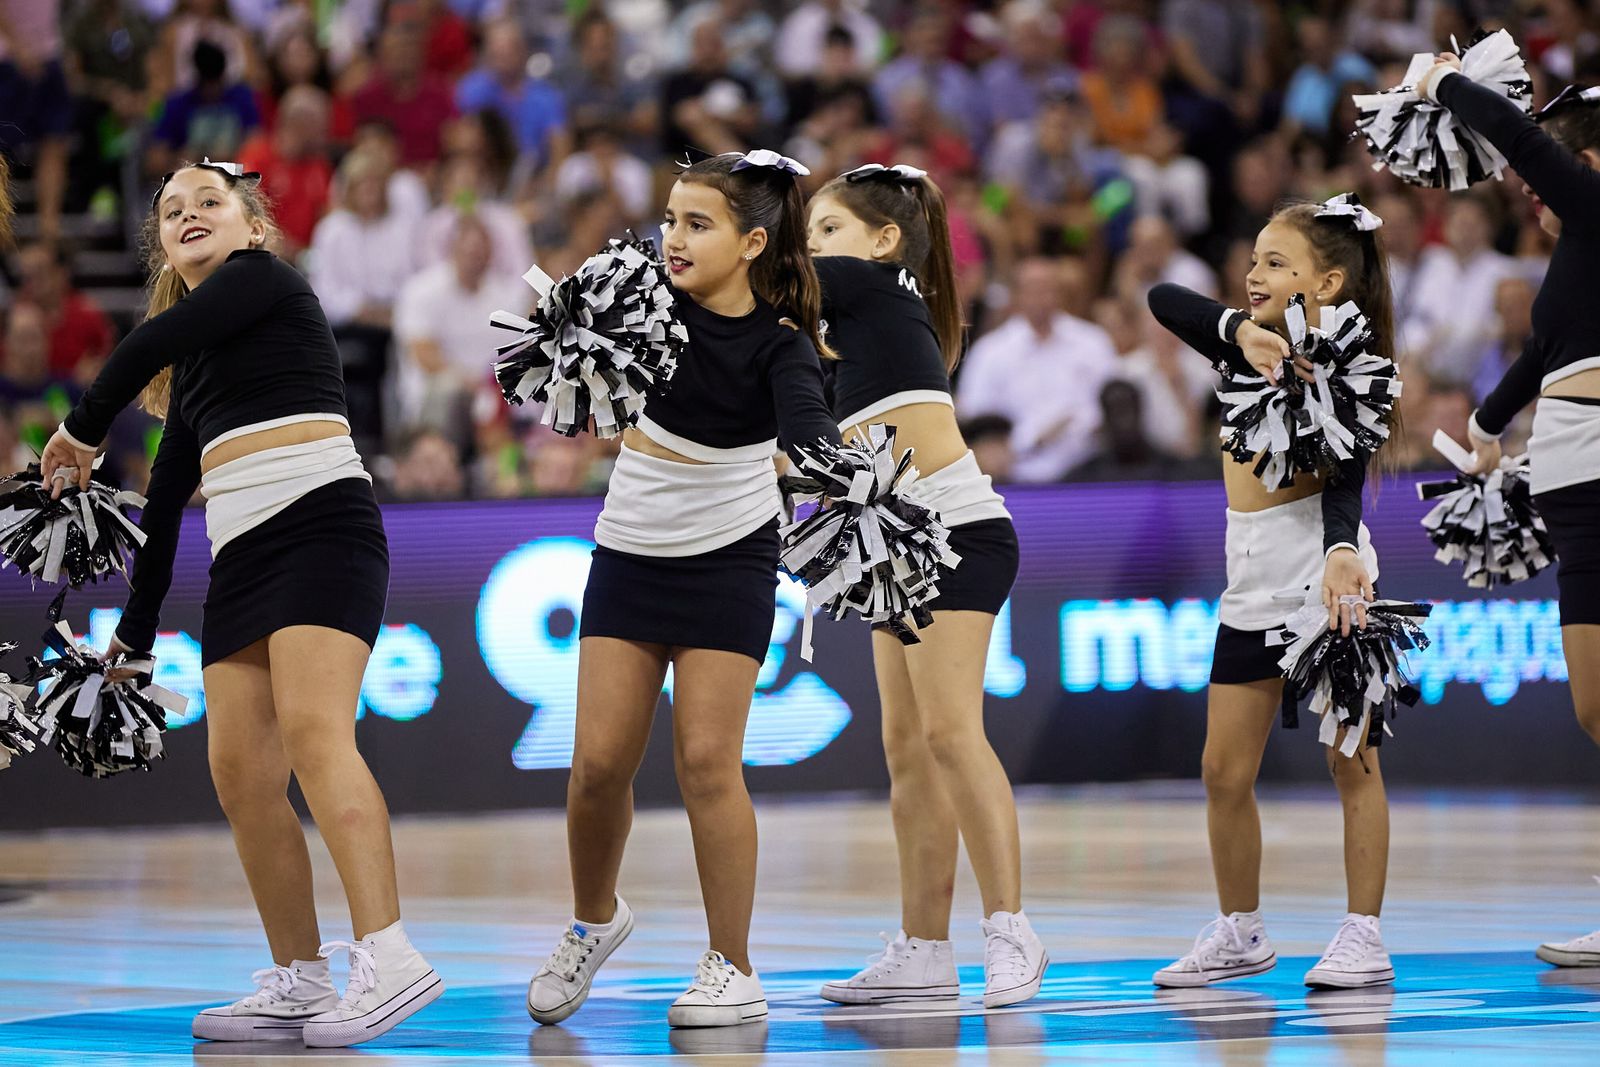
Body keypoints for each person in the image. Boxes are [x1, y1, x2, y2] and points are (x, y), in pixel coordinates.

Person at [39, 160, 441, 1048]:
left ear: (252, 227)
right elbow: (163, 514)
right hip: (244, 561)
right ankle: (299, 975)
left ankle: (392, 952)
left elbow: (140, 347)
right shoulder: (192, 372)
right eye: (171, 210)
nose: (187, 216)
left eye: (207, 203)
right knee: (240, 774)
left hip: (323, 532)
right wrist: (134, 645)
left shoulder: (265, 282)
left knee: (313, 732)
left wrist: (80, 426)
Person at [524, 151, 841, 1030]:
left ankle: (732, 966)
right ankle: (595, 919)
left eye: (696, 223)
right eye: (669, 219)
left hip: (730, 560)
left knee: (707, 761)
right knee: (595, 766)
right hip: (628, 555)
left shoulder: (780, 341)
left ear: (750, 242)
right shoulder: (638, 307)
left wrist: (828, 464)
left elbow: (807, 417)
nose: (673, 237)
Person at [806, 162, 1048, 1008]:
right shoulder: (838, 325)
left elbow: (766, 277)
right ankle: (923, 948)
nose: (815, 250)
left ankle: (1011, 928)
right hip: (889, 547)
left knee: (950, 732)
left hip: (961, 533)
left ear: (883, 241)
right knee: (906, 748)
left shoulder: (876, 288)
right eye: (808, 237)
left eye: (826, 230)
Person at [1146, 193, 1400, 990]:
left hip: (1325, 573)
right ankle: (1241, 931)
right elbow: (1163, 299)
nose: (1254, 274)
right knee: (1223, 768)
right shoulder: (1242, 347)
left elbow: (1347, 472)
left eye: (1275, 263)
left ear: (1325, 284)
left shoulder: (1353, 365)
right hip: (1249, 577)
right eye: (1253, 260)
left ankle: (1364, 935)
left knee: (1350, 763)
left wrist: (1336, 553)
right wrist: (1239, 331)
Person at [1416, 56, 1600, 969]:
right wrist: (1486, 429)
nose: (1534, 198)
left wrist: (1446, 84)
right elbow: (1543, 352)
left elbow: (1526, 143)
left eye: (1550, 179)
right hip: (1570, 479)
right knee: (1597, 702)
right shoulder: (1577, 257)